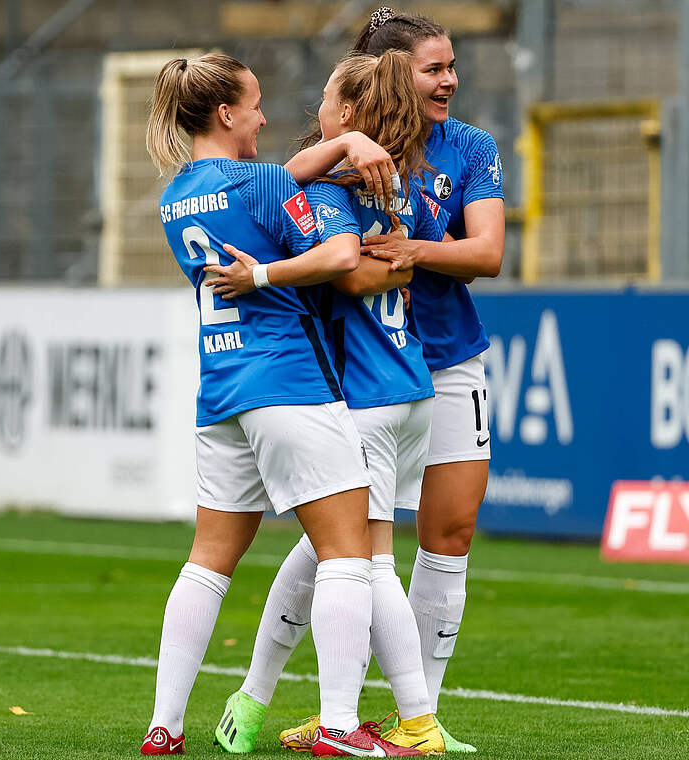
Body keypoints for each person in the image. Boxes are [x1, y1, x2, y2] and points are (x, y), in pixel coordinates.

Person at [140, 53, 420, 757]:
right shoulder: (263, 183)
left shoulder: (177, 195)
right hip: (290, 384)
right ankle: (338, 726)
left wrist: (343, 144)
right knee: (348, 554)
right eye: (257, 105)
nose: (266, 117)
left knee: (207, 563)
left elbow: (269, 185)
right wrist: (268, 272)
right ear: (227, 113)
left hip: (221, 393)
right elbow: (338, 255)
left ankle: (164, 726)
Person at [213, 51, 446, 755]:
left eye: (324, 98)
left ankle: (414, 721)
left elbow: (341, 273)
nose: (313, 108)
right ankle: (257, 703)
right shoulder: (394, 182)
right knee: (330, 553)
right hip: (410, 387)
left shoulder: (335, 184)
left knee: (363, 562)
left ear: (347, 114)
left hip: (367, 394)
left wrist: (262, 274)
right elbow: (378, 262)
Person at [347, 9, 506, 753]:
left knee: (450, 533)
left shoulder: (470, 145)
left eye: (451, 66)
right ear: (391, 76)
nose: (449, 80)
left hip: (450, 363)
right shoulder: (347, 151)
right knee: (338, 544)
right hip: (371, 368)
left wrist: (414, 247)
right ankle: (317, 706)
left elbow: (487, 252)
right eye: (432, 69)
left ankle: (421, 720)